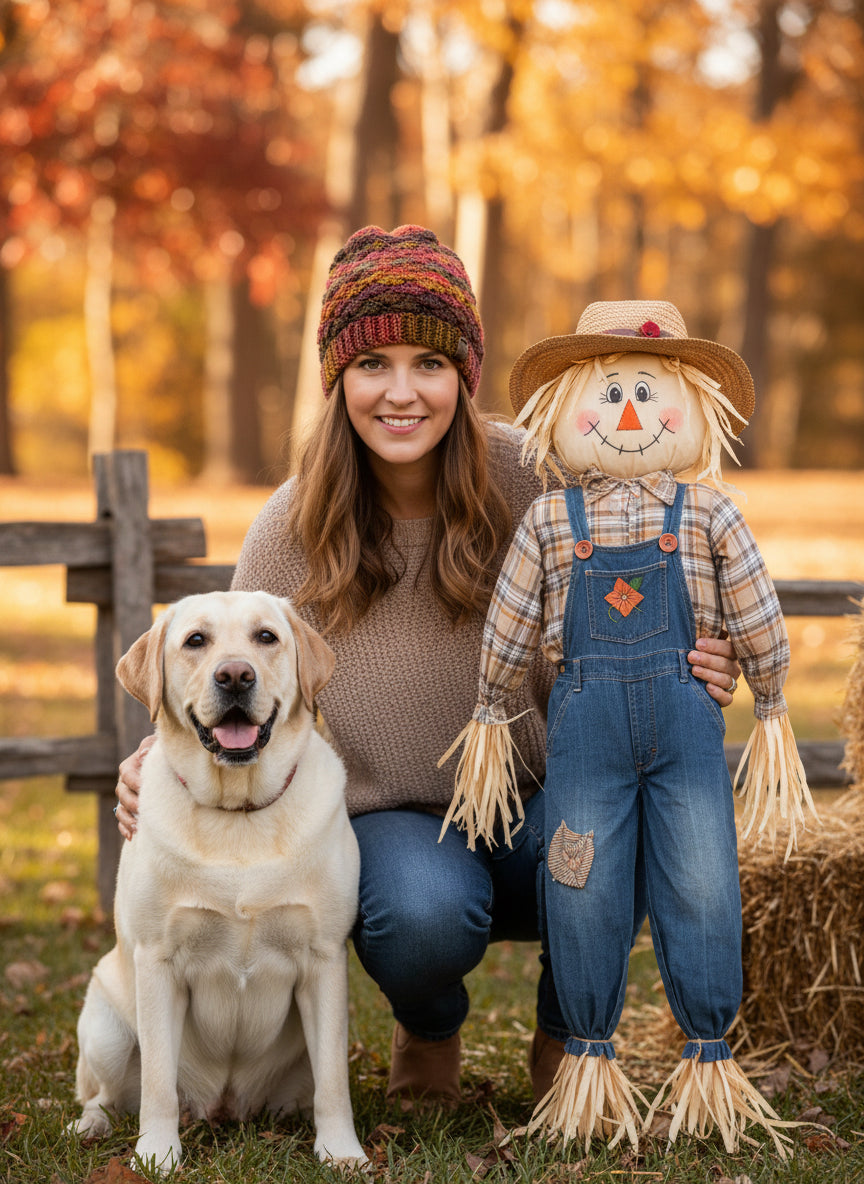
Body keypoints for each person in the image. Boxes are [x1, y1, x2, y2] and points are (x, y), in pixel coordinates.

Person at [114, 226, 741, 1111]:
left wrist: (708, 656)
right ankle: (429, 1028)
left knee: (619, 820)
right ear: (338, 382)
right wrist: (150, 764)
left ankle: (571, 1041)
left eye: (430, 364)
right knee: (418, 916)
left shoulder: (540, 477)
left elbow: (661, 577)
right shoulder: (292, 526)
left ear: (465, 376)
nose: (401, 393)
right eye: (374, 366)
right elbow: (214, 671)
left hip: (548, 799)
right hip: (396, 821)